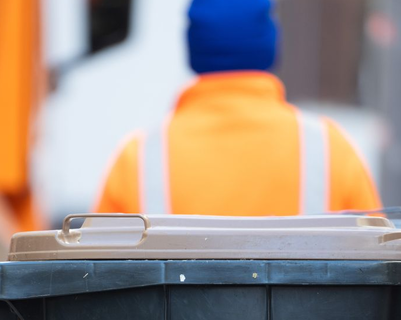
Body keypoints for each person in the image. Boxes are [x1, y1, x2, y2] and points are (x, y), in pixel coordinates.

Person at [94, 0, 382, 217]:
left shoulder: (136, 161)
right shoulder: (331, 151)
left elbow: (94, 280)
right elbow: (378, 270)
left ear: (194, 46)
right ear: (270, 42)